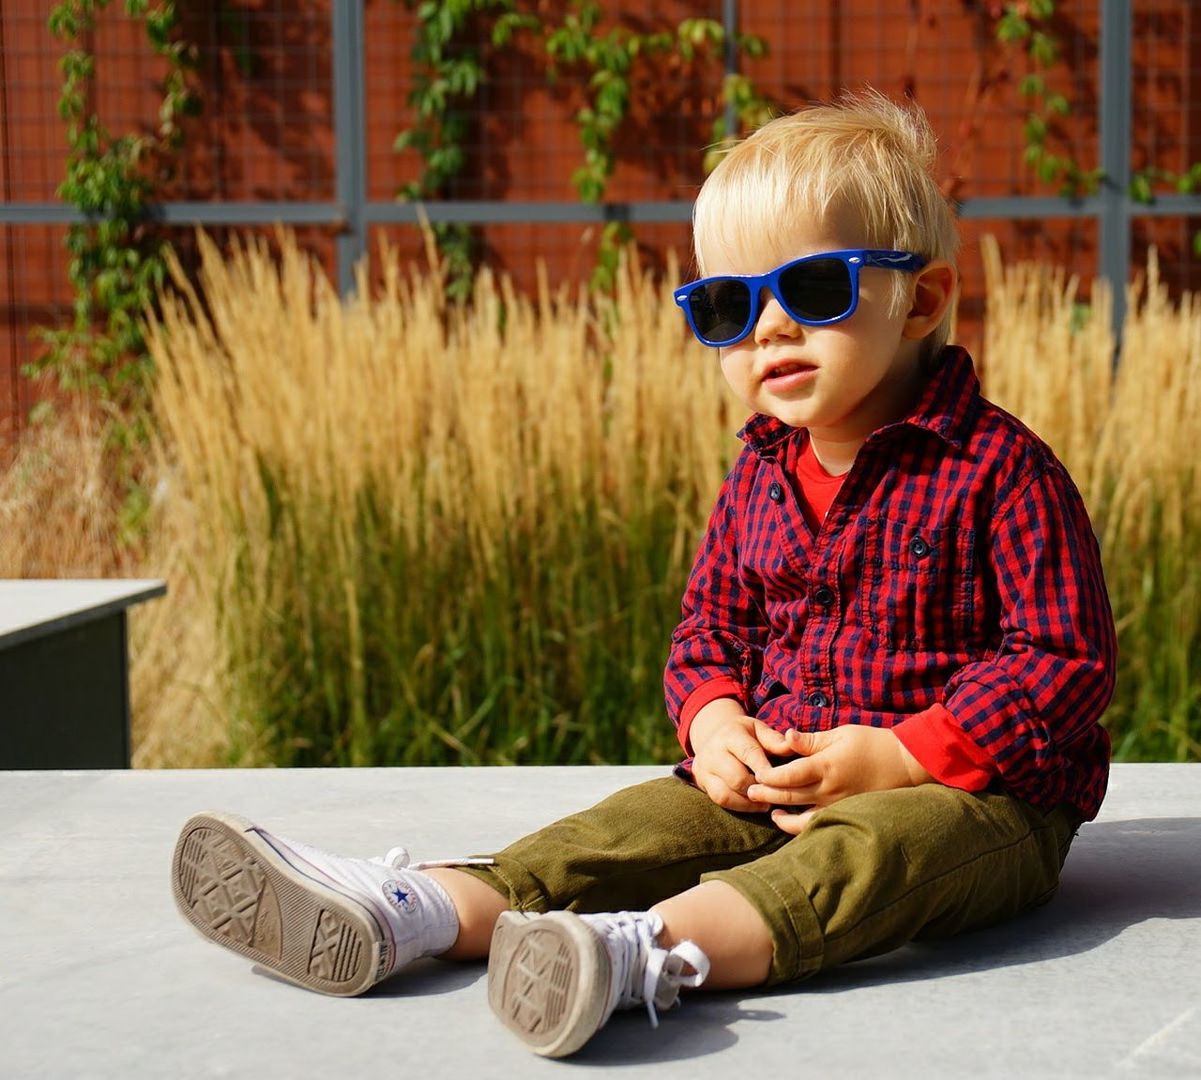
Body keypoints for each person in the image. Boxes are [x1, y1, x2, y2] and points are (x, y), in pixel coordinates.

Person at [171, 89, 1116, 1059]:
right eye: (726, 305)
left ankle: (644, 952)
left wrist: (903, 754)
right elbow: (710, 629)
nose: (769, 328)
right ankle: (419, 910)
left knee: (869, 856)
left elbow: (1064, 661)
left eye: (816, 290)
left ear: (916, 299)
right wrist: (714, 726)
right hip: (775, 774)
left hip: (979, 802)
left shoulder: (998, 469)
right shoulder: (759, 473)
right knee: (633, 827)